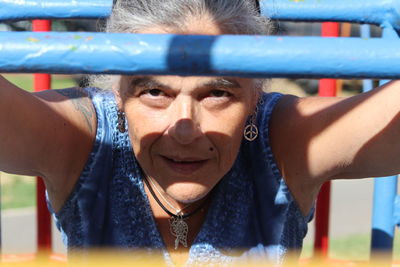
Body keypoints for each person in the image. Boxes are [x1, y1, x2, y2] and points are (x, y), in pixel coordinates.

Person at [1, 0, 399, 266]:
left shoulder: (280, 141)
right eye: (154, 91)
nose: (186, 129)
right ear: (116, 92)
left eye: (218, 93)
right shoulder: (84, 136)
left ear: (254, 95)